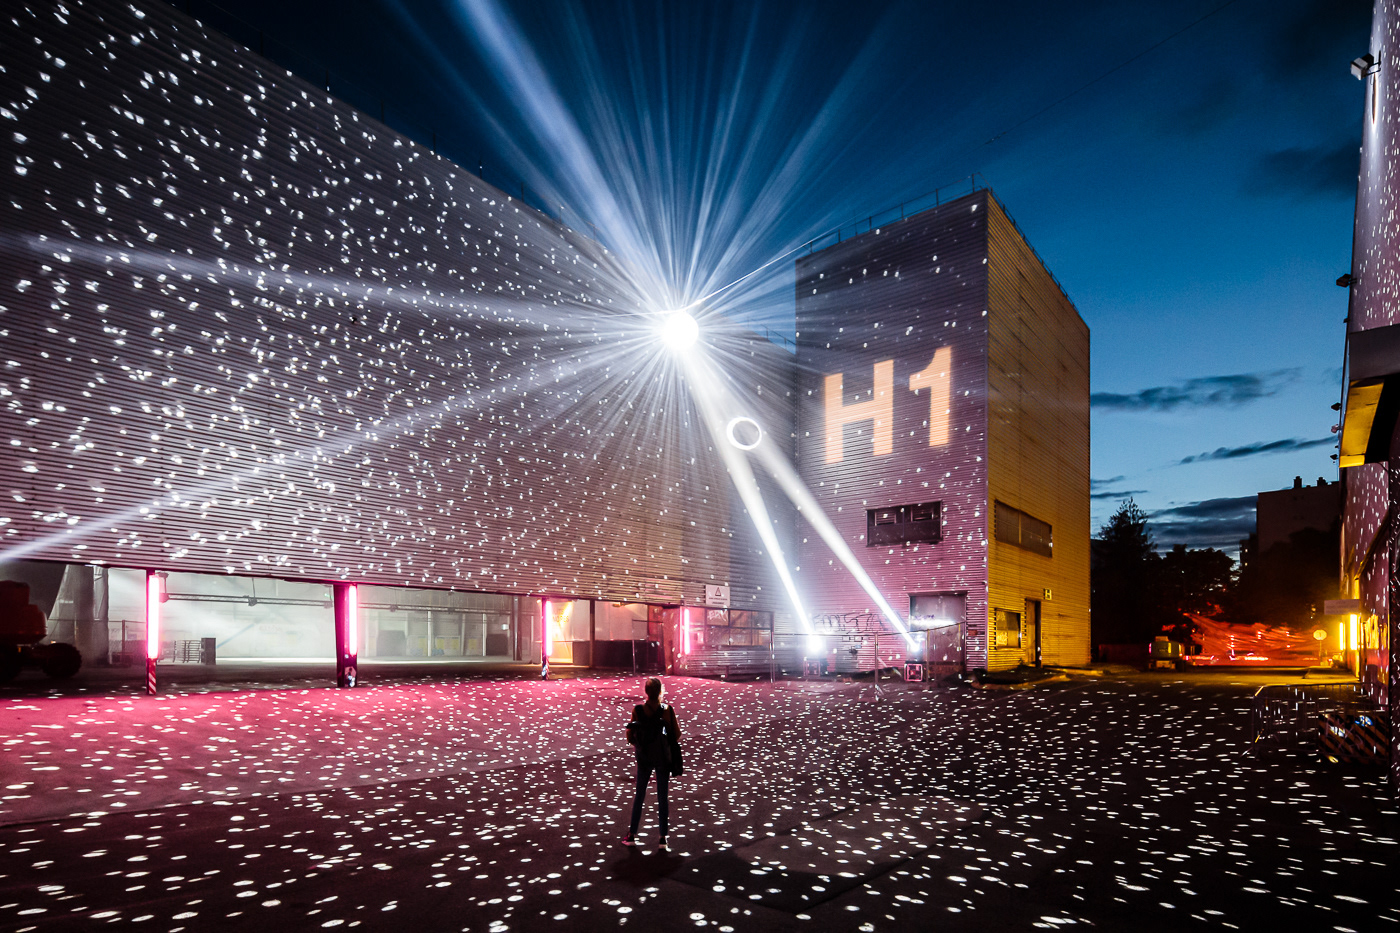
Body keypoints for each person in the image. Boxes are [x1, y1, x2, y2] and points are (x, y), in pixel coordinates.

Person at [623, 676, 680, 851]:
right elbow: (676, 734)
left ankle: (632, 834)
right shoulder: (667, 710)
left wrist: (641, 744)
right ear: (660, 691)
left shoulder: (638, 710)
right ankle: (663, 838)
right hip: (662, 757)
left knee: (640, 794)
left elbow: (629, 735)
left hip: (644, 757)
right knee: (662, 796)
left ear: (646, 692)